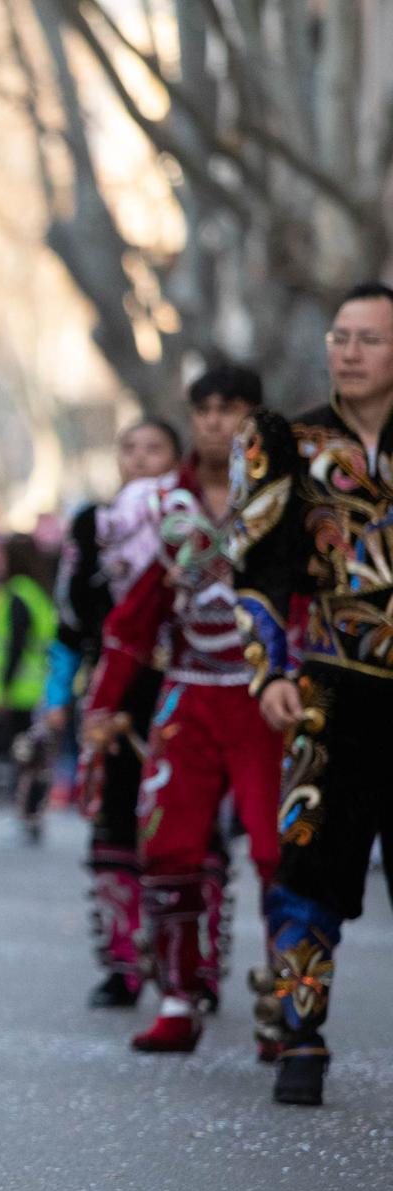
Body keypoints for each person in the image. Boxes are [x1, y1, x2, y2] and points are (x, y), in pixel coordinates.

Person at [235, 281, 393, 1107]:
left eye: (370, 338)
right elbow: (258, 571)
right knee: (309, 860)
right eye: (340, 336)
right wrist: (269, 672)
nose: (349, 352)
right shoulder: (290, 443)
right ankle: (301, 1035)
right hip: (332, 690)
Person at [83, 366, 272, 1053]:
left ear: (254, 417)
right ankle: (178, 997)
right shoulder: (162, 504)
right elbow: (135, 616)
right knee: (167, 846)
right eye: (205, 410)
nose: (216, 421)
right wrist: (103, 703)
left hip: (265, 698)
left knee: (280, 852)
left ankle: (290, 1011)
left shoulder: (283, 497)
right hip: (188, 695)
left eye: (231, 408)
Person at [50, 418, 182, 1006]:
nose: (140, 458)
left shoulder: (195, 522)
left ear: (175, 457)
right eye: (129, 448)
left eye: (154, 448)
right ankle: (122, 963)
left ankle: (189, 967)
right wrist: (58, 698)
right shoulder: (93, 524)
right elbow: (71, 614)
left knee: (184, 826)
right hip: (112, 689)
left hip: (183, 686)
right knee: (112, 821)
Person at [0, 534, 58, 837]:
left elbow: (14, 647)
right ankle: (30, 816)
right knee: (33, 756)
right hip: (38, 688)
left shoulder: (16, 595)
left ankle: (27, 817)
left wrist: (4, 690)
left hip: (22, 691)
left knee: (25, 756)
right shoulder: (35, 591)